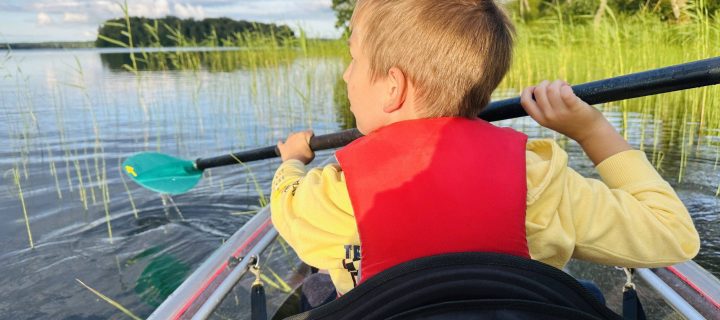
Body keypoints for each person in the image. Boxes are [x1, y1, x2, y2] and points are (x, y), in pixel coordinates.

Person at [270, 0, 700, 303]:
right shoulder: (542, 180)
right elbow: (673, 234)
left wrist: (293, 159)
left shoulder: (333, 196)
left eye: (353, 59)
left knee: (317, 290)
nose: (346, 75)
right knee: (584, 294)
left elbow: (285, 208)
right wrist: (591, 129)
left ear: (393, 87)